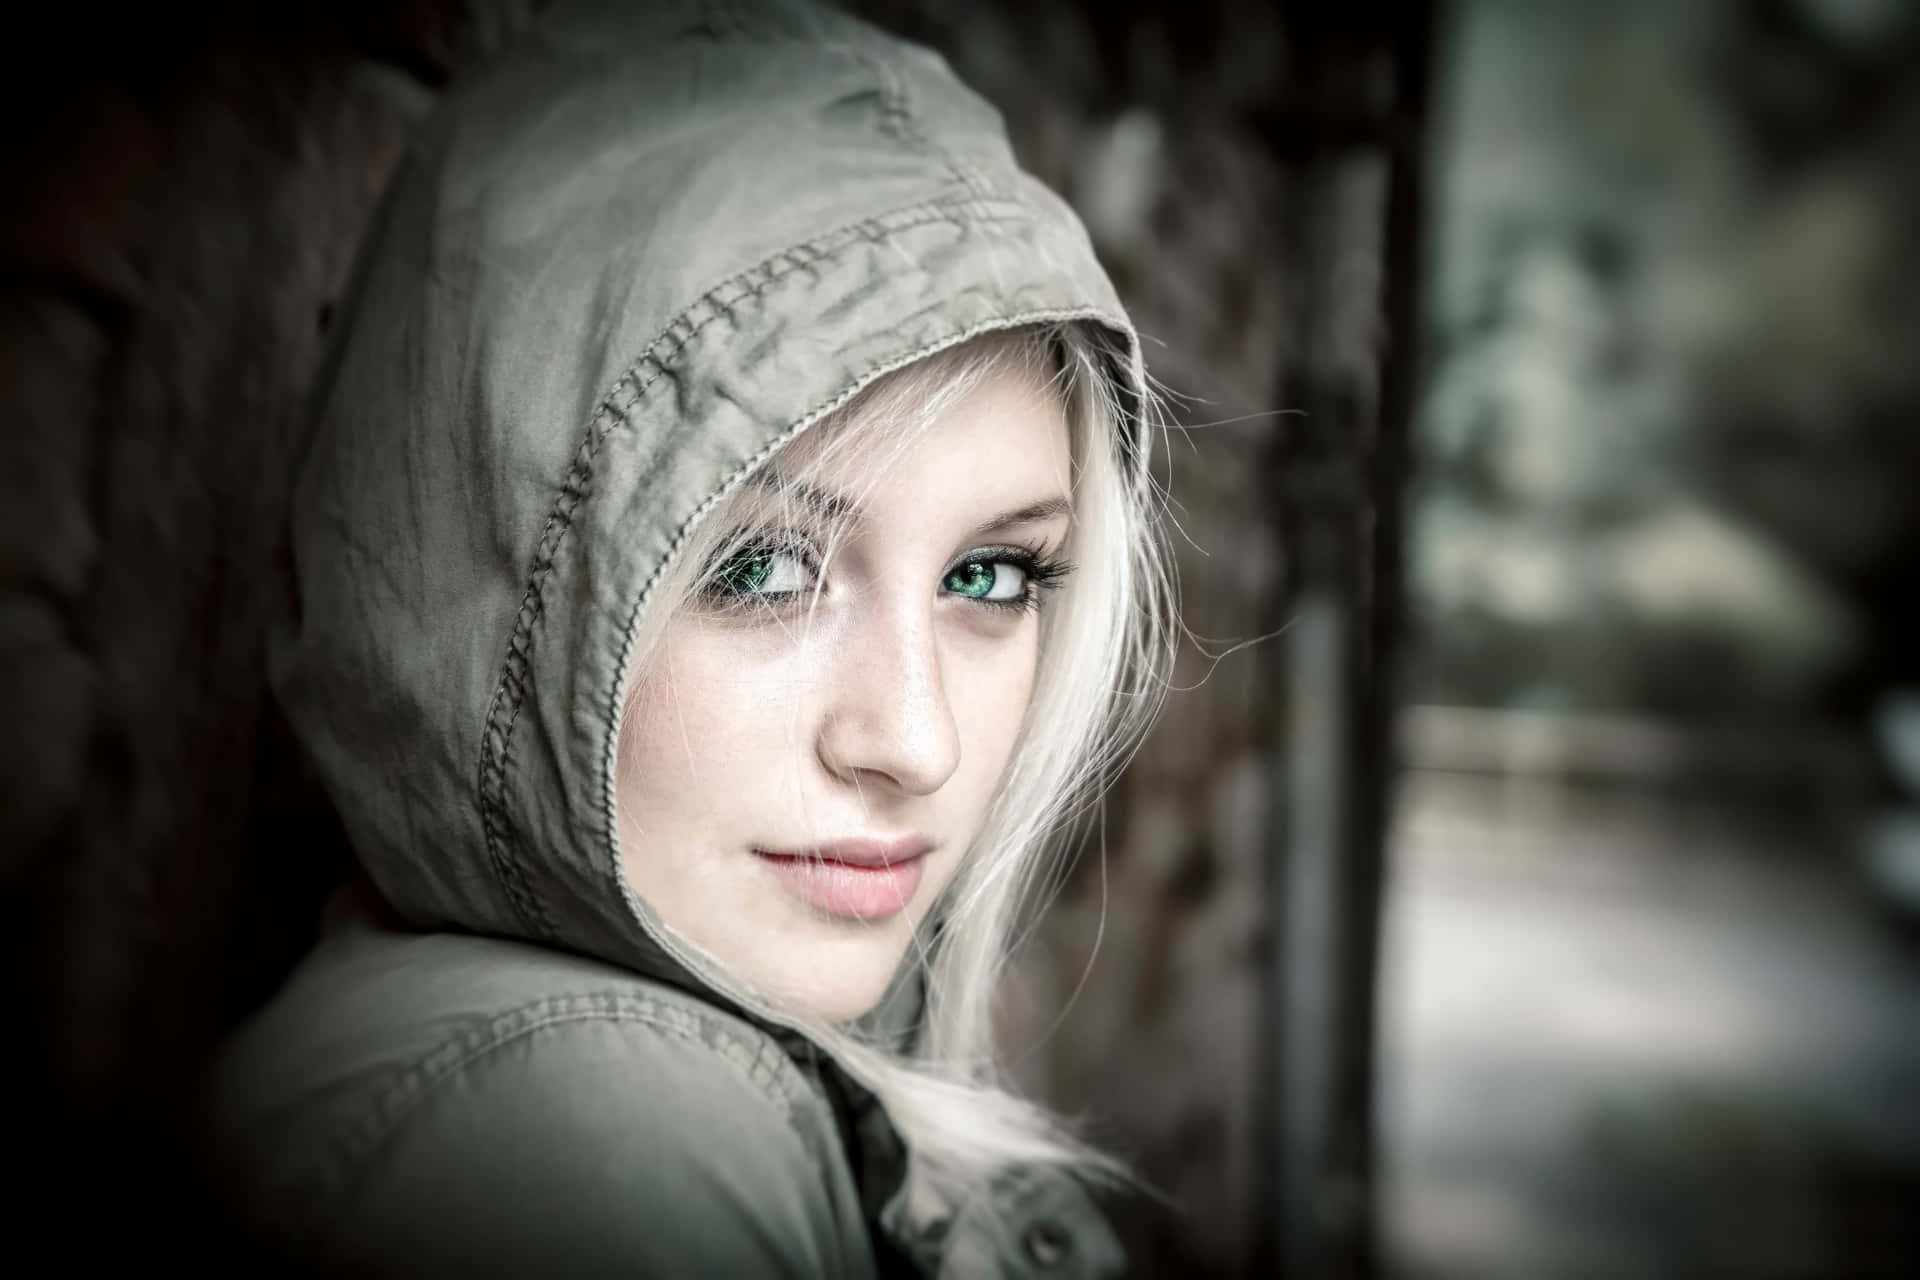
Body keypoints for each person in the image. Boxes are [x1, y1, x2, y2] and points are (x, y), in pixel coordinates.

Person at [210, 0, 1171, 1274]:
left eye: (990, 575)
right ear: (494, 561)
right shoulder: (592, 1140)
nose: (915, 740)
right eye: (763, 568)